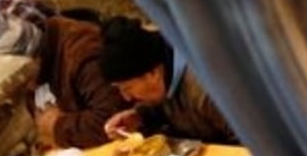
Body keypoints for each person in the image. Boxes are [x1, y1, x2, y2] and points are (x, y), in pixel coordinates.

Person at [0, 17, 127, 150]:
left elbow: (114, 121)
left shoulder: (81, 53)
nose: (24, 86)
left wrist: (57, 126)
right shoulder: (41, 65)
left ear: (34, 60)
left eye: (22, 78)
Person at [98, 17, 237, 144]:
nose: (126, 98)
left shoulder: (205, 88)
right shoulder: (164, 80)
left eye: (127, 88)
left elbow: (248, 138)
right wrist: (139, 117)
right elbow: (164, 108)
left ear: (152, 74)